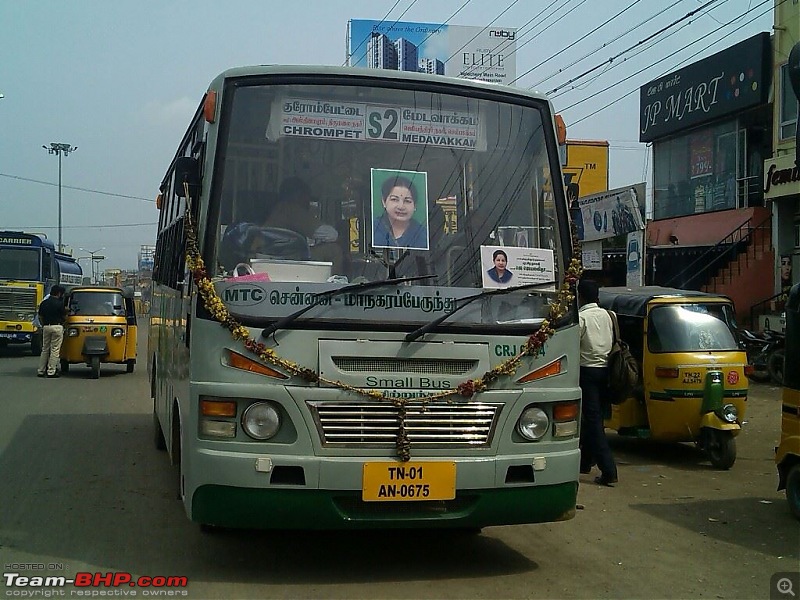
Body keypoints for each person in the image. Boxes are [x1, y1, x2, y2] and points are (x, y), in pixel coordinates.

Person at [577, 278, 618, 486]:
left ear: (580, 297)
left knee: (593, 422)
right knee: (594, 418)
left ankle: (609, 470)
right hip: (606, 371)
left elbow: (574, 345)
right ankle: (585, 461)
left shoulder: (581, 318)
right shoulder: (608, 315)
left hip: (587, 372)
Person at [373, 175, 428, 250]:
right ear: (384, 202)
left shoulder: (423, 235)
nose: (401, 207)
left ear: (415, 206)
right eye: (394, 199)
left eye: (407, 201)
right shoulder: (373, 229)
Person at [36, 285, 67, 378]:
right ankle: (51, 371)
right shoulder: (60, 304)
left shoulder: (44, 303)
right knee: (55, 350)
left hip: (46, 326)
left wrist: (43, 325)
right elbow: (65, 317)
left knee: (45, 349)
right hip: (57, 326)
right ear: (59, 293)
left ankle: (41, 370)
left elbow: (40, 316)